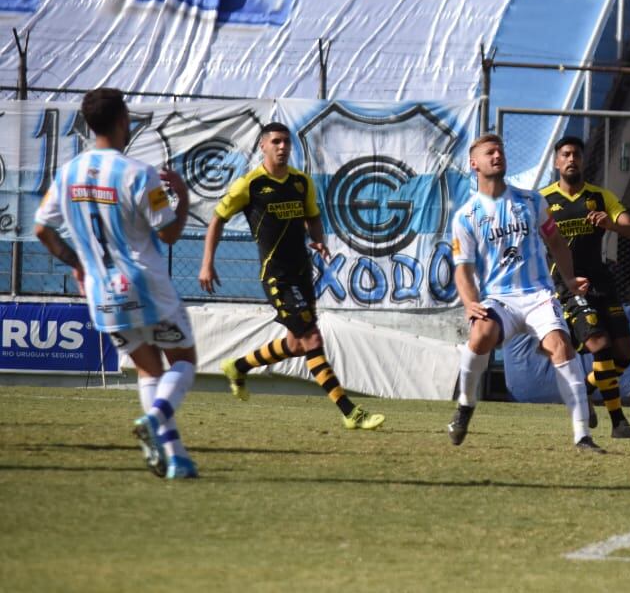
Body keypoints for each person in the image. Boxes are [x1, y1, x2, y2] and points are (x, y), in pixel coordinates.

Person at [34, 87, 199, 479]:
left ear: (89, 124)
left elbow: (43, 229)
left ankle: (175, 459)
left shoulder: (68, 173)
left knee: (148, 372)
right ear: (124, 120)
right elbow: (169, 234)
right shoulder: (139, 174)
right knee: (184, 361)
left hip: (102, 293)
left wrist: (79, 264)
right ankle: (157, 418)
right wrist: (184, 197)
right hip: (147, 286)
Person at [198, 122, 385, 431]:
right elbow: (217, 219)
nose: (282, 147)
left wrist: (318, 238)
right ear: (263, 146)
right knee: (312, 338)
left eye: (286, 141)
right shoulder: (250, 185)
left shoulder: (301, 182)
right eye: (276, 141)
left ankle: (237, 367)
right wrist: (207, 263)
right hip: (277, 277)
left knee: (297, 345)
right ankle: (350, 411)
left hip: (302, 272)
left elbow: (312, 215)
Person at [448, 133, 602, 452]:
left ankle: (582, 436)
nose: (497, 156)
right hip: (499, 299)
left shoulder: (531, 201)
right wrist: (468, 301)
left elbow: (556, 242)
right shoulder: (466, 216)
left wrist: (569, 280)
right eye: (490, 152)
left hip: (539, 295)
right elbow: (462, 267)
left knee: (561, 346)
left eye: (501, 151)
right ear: (473, 163)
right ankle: (465, 406)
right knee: (480, 335)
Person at [540, 136, 630, 439]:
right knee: (599, 343)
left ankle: (585, 389)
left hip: (601, 281)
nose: (572, 159)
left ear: (583, 161)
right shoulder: (542, 200)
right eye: (566, 154)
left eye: (577, 155)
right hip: (568, 285)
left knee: (623, 355)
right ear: (557, 162)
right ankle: (618, 423)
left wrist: (613, 226)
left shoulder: (601, 197)